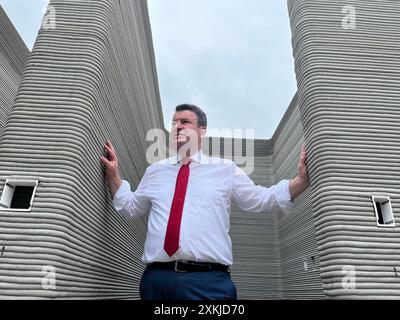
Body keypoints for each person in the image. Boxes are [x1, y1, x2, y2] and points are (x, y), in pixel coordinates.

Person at [100, 104, 310, 300]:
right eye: (174, 123)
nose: (177, 126)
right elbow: (130, 206)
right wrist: (113, 175)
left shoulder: (225, 170)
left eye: (185, 121)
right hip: (157, 280)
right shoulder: (155, 172)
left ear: (202, 130)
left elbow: (261, 199)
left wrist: (300, 181)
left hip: (208, 283)